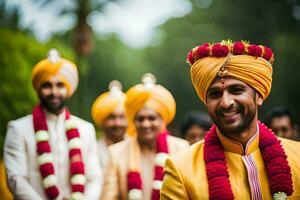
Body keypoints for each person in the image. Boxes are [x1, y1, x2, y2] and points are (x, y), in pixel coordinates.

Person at [161, 41, 300, 199]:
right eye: (215, 94)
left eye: (236, 90)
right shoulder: (181, 169)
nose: (226, 102)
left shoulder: (298, 157)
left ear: (259, 95)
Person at [4, 49, 102, 200]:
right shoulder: (18, 129)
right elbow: (16, 179)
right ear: (38, 89)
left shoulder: (85, 129)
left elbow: (94, 178)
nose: (54, 92)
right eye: (47, 85)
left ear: (68, 90)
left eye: (60, 85)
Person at [101, 73, 189, 200]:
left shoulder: (181, 148)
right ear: (133, 121)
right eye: (140, 119)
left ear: (162, 120)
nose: (145, 124)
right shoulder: (116, 153)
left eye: (151, 118)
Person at [91, 80, 128, 172]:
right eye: (111, 117)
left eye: (122, 117)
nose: (117, 123)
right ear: (102, 120)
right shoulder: (92, 149)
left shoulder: (137, 147)